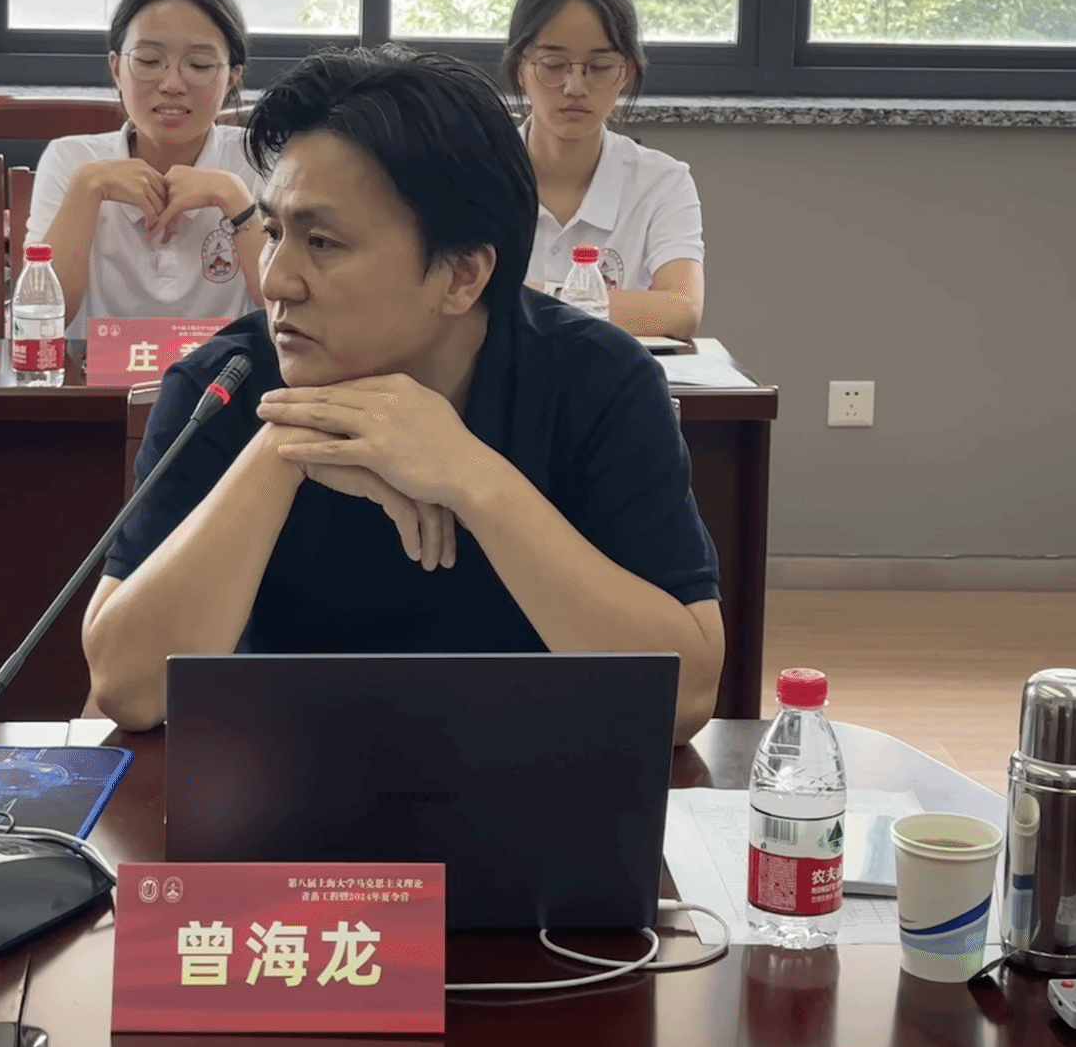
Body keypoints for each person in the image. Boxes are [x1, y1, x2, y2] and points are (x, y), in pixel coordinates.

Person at [81, 48, 724, 745]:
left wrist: (473, 479)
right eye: (273, 233)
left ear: (462, 276)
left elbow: (685, 696)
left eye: (322, 241)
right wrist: (277, 451)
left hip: (534, 769)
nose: (276, 281)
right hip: (281, 776)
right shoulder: (225, 385)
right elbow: (127, 688)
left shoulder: (596, 380)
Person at [25, 0, 262, 326]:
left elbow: (293, 314)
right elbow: (39, 321)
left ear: (232, 77)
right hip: (94, 366)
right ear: (116, 68)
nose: (172, 84)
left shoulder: (256, 160)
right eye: (150, 61)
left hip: (231, 366)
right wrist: (86, 188)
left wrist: (236, 200)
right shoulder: (71, 160)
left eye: (199, 65)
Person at [506, 0, 705, 338]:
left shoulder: (662, 182)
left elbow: (682, 310)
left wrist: (530, 298)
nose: (575, 87)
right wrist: (603, 305)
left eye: (599, 67)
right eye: (553, 65)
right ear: (520, 68)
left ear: (625, 73)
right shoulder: (477, 171)